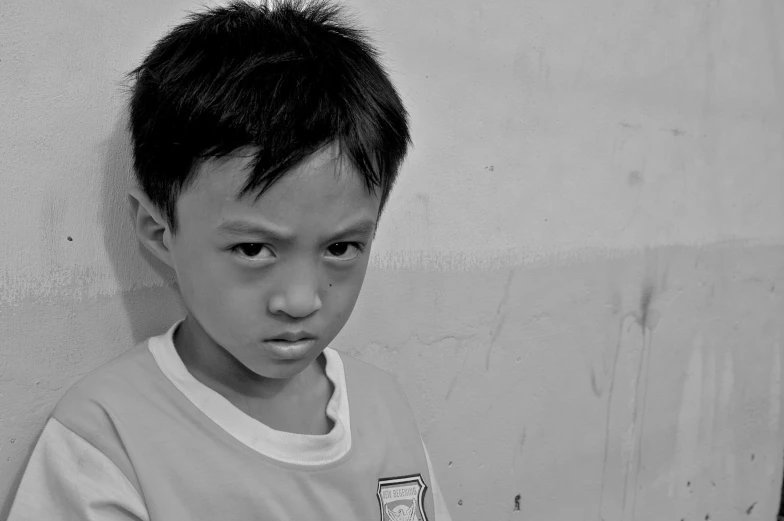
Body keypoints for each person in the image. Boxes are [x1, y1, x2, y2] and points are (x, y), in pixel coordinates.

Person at [7, 1, 452, 519]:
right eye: (253, 249)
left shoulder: (384, 406)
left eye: (340, 248)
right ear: (158, 230)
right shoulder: (106, 439)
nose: (301, 301)